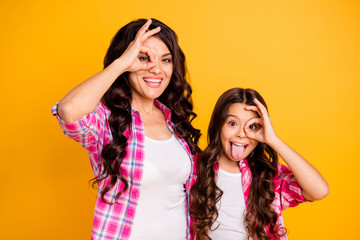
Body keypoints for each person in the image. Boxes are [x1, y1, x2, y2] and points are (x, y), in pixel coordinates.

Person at [52, 18, 201, 240]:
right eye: (143, 58)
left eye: (166, 60)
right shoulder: (107, 121)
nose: (156, 68)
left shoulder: (175, 121)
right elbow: (69, 110)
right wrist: (122, 63)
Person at [190, 88, 329, 240]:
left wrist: (273, 139)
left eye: (252, 126)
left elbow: (319, 191)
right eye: (232, 123)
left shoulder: (268, 175)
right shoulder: (193, 167)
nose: (241, 134)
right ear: (218, 125)